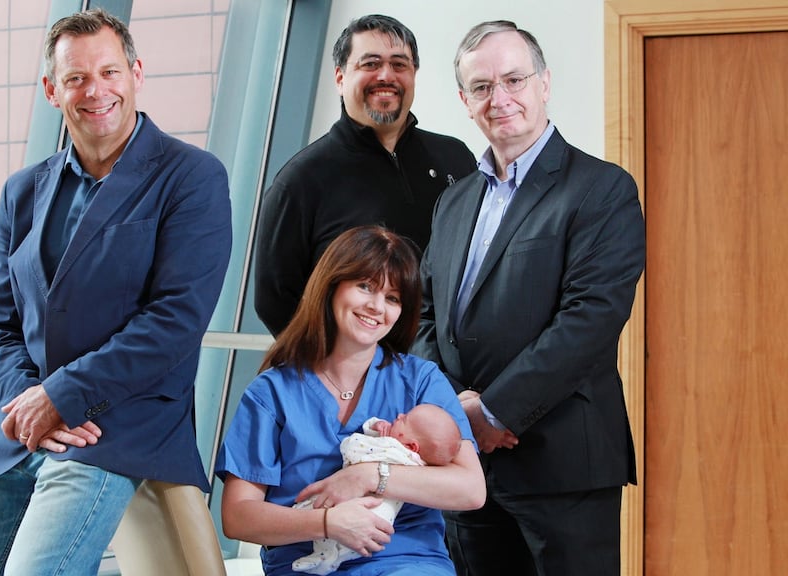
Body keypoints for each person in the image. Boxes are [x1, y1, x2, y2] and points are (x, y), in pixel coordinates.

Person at [0, 8, 232, 575]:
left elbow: (174, 321)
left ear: (136, 74)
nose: (96, 90)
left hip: (119, 422)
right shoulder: (22, 192)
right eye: (76, 78)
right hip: (26, 422)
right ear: (52, 90)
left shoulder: (193, 177)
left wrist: (61, 397)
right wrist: (28, 403)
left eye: (110, 72)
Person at [411, 20, 646, 576]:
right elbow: (423, 315)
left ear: (544, 84)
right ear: (465, 102)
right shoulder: (454, 200)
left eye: (514, 80)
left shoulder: (601, 188)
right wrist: (453, 412)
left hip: (561, 467)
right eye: (483, 87)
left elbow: (590, 320)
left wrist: (494, 410)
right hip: (465, 468)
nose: (501, 98)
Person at [217, 225, 486, 576]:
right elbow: (238, 517)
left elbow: (471, 489)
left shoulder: (421, 380)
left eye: (392, 298)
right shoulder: (272, 393)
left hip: (407, 563)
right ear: (332, 286)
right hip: (308, 566)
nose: (377, 306)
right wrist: (328, 522)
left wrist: (370, 475)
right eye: (365, 287)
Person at [253, 14, 477, 336]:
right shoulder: (301, 180)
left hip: (447, 373)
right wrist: (335, 365)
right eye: (370, 64)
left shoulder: (455, 159)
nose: (386, 75)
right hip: (356, 377)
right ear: (341, 77)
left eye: (399, 65)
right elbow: (274, 299)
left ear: (413, 74)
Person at [292, 404, 462, 575]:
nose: (400, 415)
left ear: (411, 446)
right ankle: (327, 558)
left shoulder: (395, 451)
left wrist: (373, 429)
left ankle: (324, 556)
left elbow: (354, 447)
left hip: (365, 511)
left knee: (316, 508)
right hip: (380, 524)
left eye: (405, 420)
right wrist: (380, 427)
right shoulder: (417, 465)